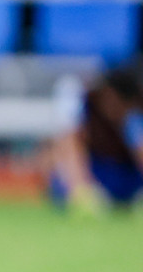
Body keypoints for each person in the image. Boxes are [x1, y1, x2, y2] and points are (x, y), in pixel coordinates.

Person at [46, 59, 143, 212]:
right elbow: (69, 146)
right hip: (95, 170)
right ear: (108, 94)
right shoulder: (83, 104)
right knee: (60, 182)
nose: (118, 111)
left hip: (125, 175)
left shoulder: (133, 117)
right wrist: (81, 189)